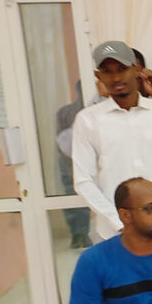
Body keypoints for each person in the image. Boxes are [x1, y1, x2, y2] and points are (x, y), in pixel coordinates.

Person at [72, 41, 152, 240]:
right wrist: (117, 221)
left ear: (137, 70)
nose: (116, 77)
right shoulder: (87, 120)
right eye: (107, 71)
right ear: (98, 76)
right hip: (114, 233)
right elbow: (83, 181)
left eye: (122, 69)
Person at [56, 80, 92, 248]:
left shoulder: (93, 111)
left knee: (77, 195)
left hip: (75, 162)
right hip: (69, 161)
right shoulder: (67, 112)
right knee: (72, 195)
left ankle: (80, 234)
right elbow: (60, 139)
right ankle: (78, 234)